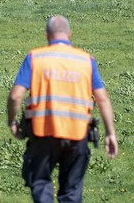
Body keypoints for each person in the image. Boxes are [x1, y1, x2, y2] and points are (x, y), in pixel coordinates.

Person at [6, 15, 118, 203]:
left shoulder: (36, 57)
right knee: (71, 191)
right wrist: (110, 134)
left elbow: (16, 95)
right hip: (77, 133)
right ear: (69, 34)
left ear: (47, 35)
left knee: (40, 183)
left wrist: (11, 122)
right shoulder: (86, 60)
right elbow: (103, 100)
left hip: (43, 133)